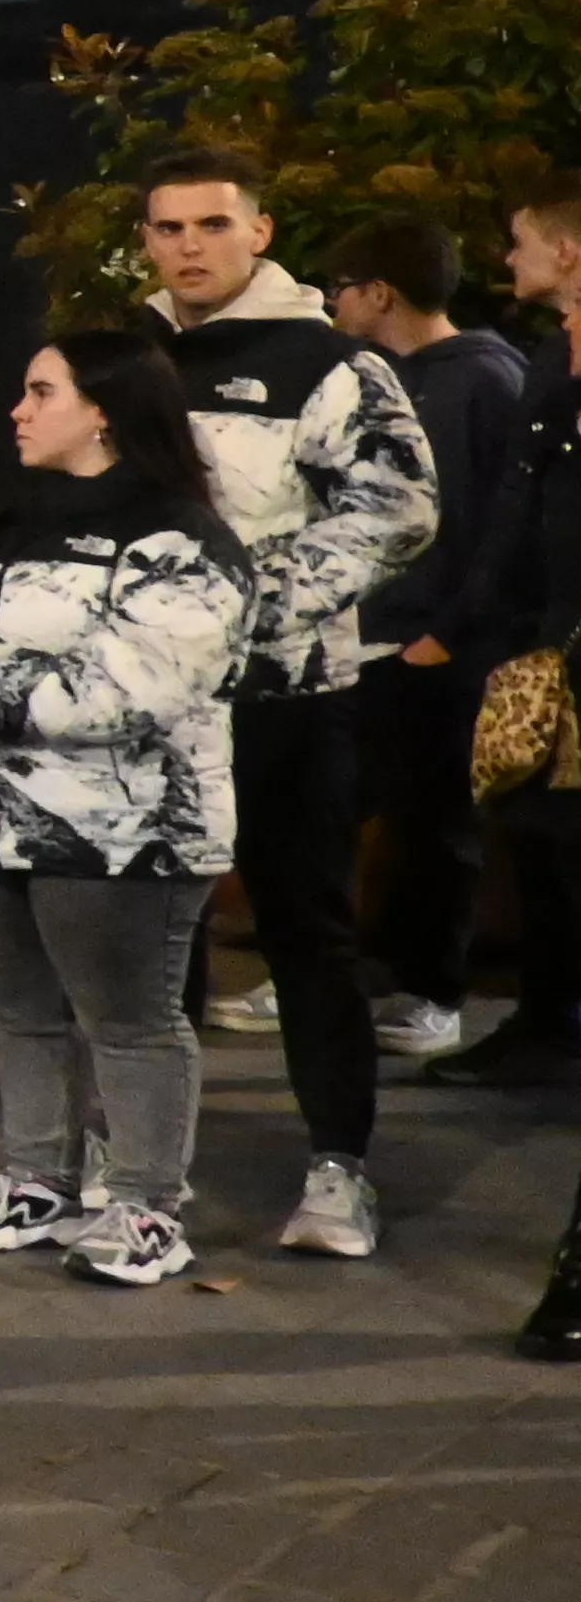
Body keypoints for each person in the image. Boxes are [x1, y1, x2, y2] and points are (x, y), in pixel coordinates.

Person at [0, 329, 257, 1290]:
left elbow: (143, 680)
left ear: (104, 410)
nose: (18, 410)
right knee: (22, 1012)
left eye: (41, 391)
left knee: (129, 1019)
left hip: (126, 833)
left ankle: (145, 1204)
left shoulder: (183, 540)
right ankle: (36, 1180)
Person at [135, 150, 439, 1260]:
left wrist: (242, 603)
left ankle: (339, 1169)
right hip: (147, 707)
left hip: (288, 700)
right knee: (150, 946)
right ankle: (140, 1176)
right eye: (169, 228)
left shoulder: (331, 364)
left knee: (307, 936)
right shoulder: (125, 358)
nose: (189, 246)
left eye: (212, 224)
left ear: (259, 233)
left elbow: (399, 507)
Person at [326, 212, 531, 1070]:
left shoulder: (483, 379)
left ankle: (435, 992)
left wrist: (448, 632)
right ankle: (343, 975)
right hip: (368, 638)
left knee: (435, 822)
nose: (332, 303)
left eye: (340, 288)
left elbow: (500, 525)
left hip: (437, 644)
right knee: (342, 811)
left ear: (379, 293)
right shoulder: (374, 379)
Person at [454, 190, 581, 1128]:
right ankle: (547, 1019)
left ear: (569, 252)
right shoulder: (548, 355)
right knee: (538, 833)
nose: (509, 260)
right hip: (546, 637)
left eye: (523, 243)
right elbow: (518, 504)